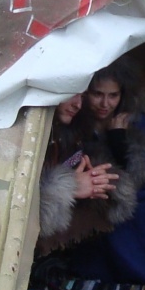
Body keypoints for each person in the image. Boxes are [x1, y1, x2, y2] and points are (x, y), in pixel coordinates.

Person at [64, 58, 145, 287]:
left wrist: (118, 138)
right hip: (94, 192)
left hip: (140, 193)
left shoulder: (136, 120)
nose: (105, 104)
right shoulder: (75, 119)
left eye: (113, 96)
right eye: (97, 94)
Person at [37, 93, 122, 255]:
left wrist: (95, 178)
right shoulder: (28, 133)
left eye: (82, 96)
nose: (78, 104)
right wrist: (70, 187)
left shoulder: (74, 131)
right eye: (70, 94)